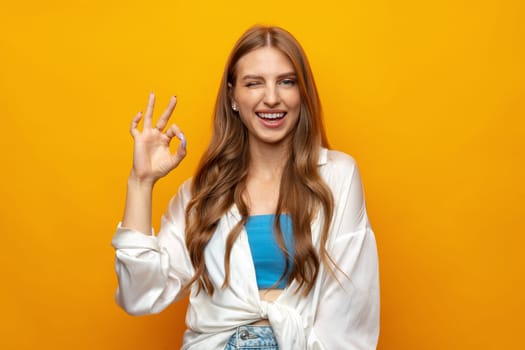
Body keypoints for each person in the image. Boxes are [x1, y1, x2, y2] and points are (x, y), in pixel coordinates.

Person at [111, 25, 380, 350]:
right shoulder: (202, 192)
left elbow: (350, 315)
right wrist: (141, 183)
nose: (271, 97)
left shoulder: (337, 177)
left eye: (286, 81)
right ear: (233, 97)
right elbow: (139, 295)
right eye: (254, 83)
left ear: (301, 93)